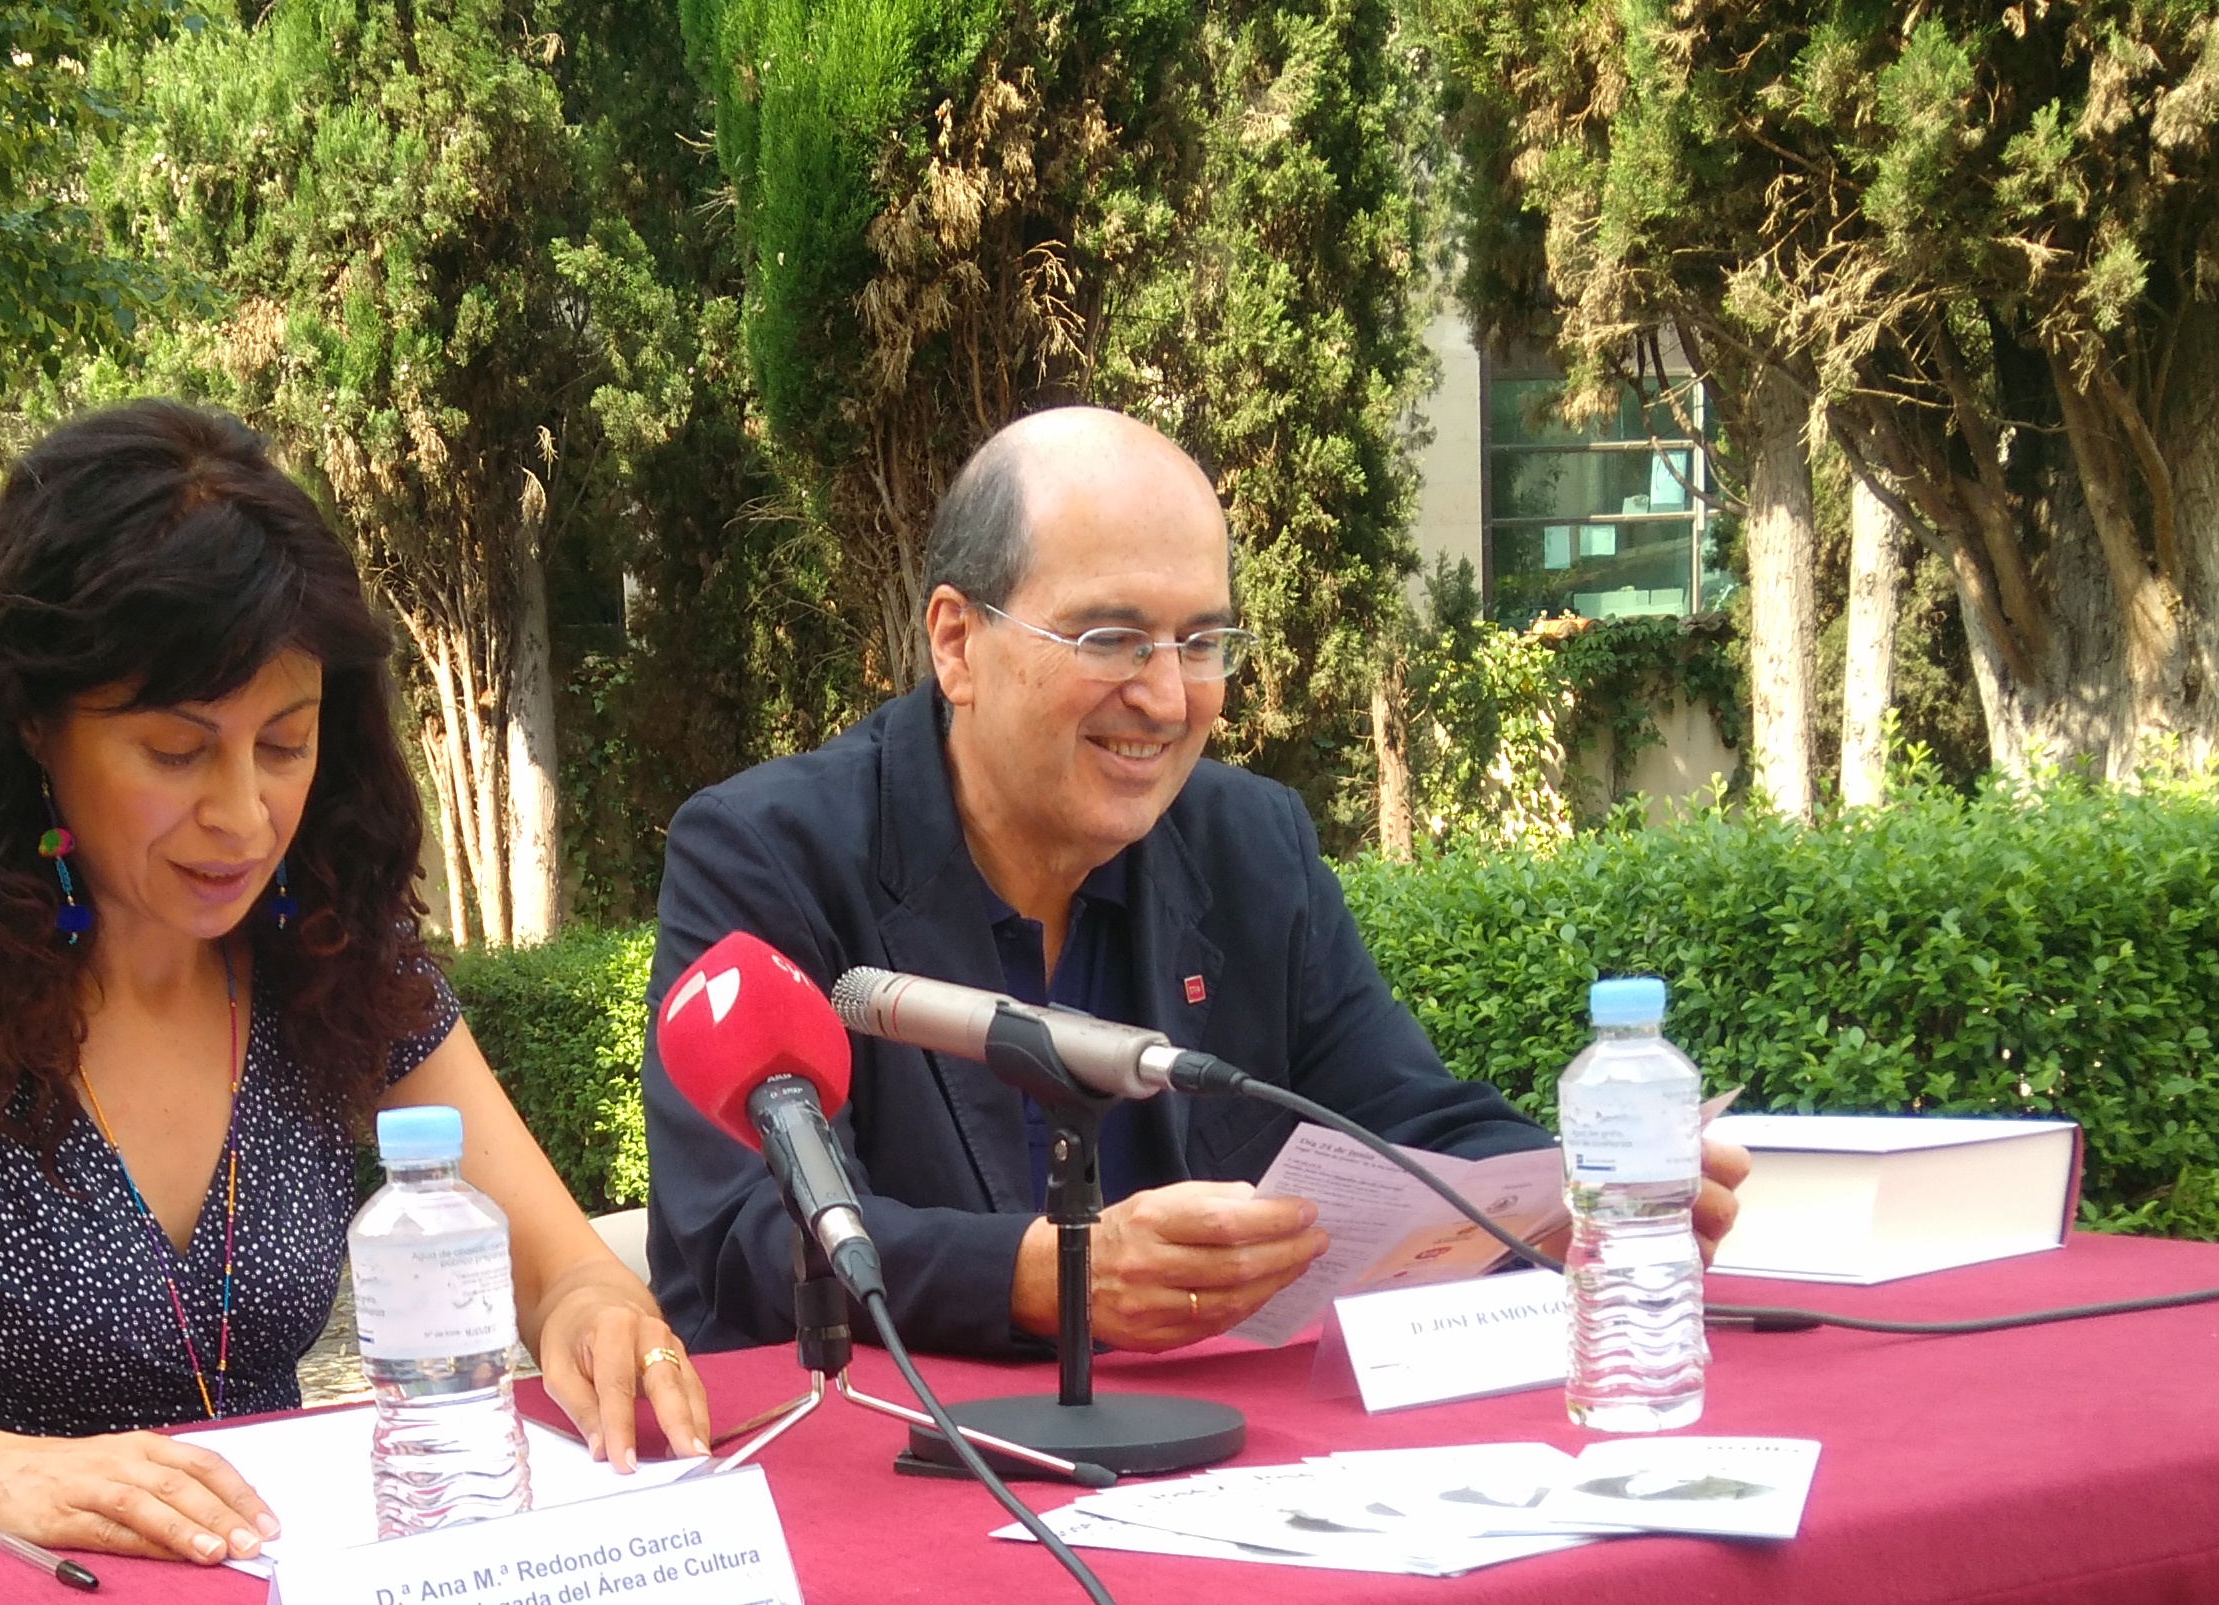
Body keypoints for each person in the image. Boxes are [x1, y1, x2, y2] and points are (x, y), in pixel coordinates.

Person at [0, 402, 709, 1565]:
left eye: (285, 744)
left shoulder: (328, 951)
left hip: (275, 1598)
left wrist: (592, 1308)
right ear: (31, 724)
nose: (243, 815)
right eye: (175, 752)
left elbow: (561, 1265)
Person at [645, 406, 1747, 1355]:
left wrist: (1577, 1196)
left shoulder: (1249, 844)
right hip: (897, 1475)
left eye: (1203, 641)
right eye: (1112, 637)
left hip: (1215, 1464)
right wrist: (1049, 1274)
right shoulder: (767, 855)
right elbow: (744, 1236)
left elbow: (1405, 1123)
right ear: (956, 643)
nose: (1168, 699)